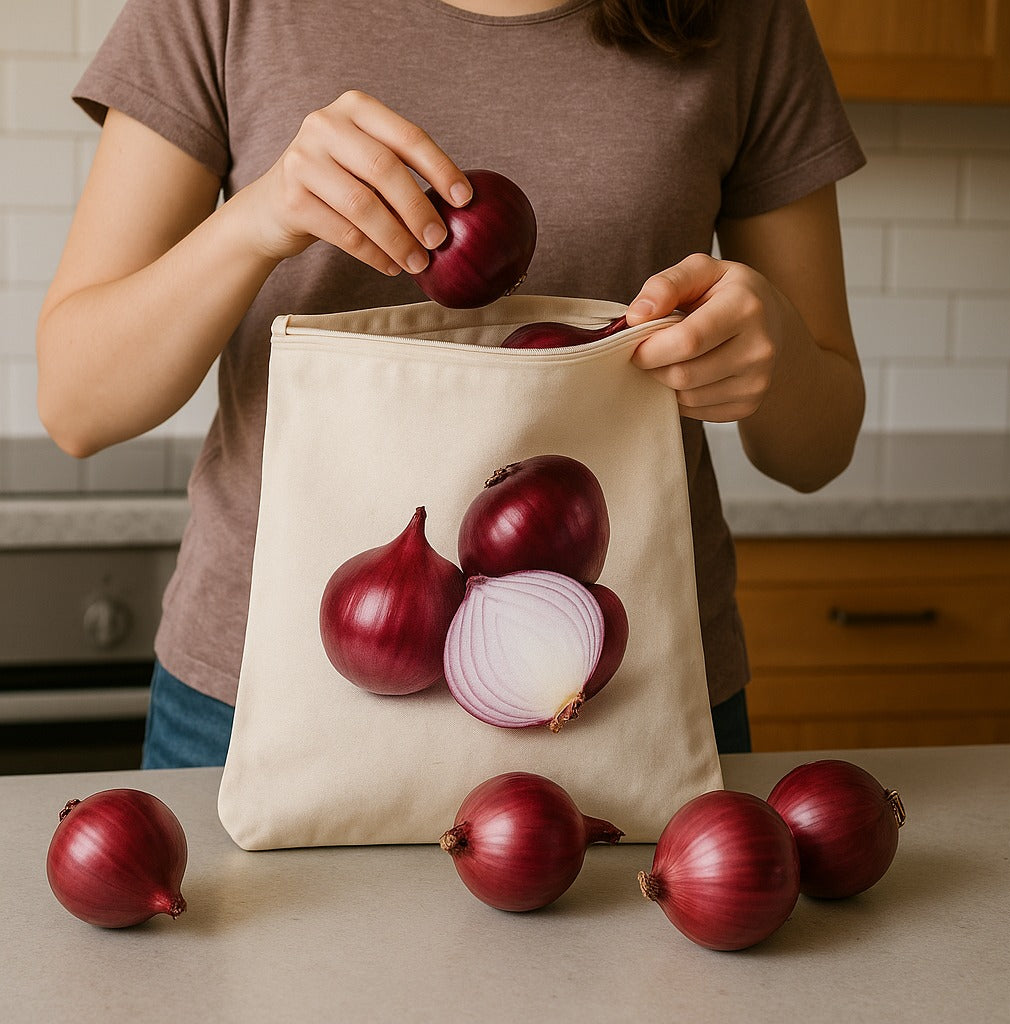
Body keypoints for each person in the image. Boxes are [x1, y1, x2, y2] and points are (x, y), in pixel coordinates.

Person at [36, 0, 865, 766]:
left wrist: (775, 355)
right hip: (252, 692)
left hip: (622, 688)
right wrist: (258, 220)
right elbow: (77, 405)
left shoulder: (749, 15)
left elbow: (817, 449)